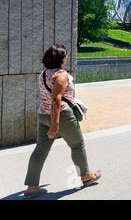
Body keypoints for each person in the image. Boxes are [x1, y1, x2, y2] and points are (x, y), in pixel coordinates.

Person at [23, 44, 101, 199]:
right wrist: (55, 125)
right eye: (65, 56)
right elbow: (57, 100)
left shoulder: (43, 74)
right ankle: (86, 177)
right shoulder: (61, 75)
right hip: (61, 116)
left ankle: (32, 188)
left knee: (40, 150)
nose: (67, 58)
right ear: (60, 59)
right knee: (77, 145)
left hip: (42, 114)